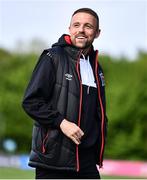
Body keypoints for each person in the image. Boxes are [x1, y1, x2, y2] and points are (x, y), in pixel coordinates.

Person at [22, 7, 108, 179]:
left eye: (88, 26)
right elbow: (31, 102)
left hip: (86, 162)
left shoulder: (97, 67)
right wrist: (61, 122)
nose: (81, 30)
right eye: (76, 25)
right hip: (53, 160)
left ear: (97, 33)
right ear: (69, 29)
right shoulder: (52, 57)